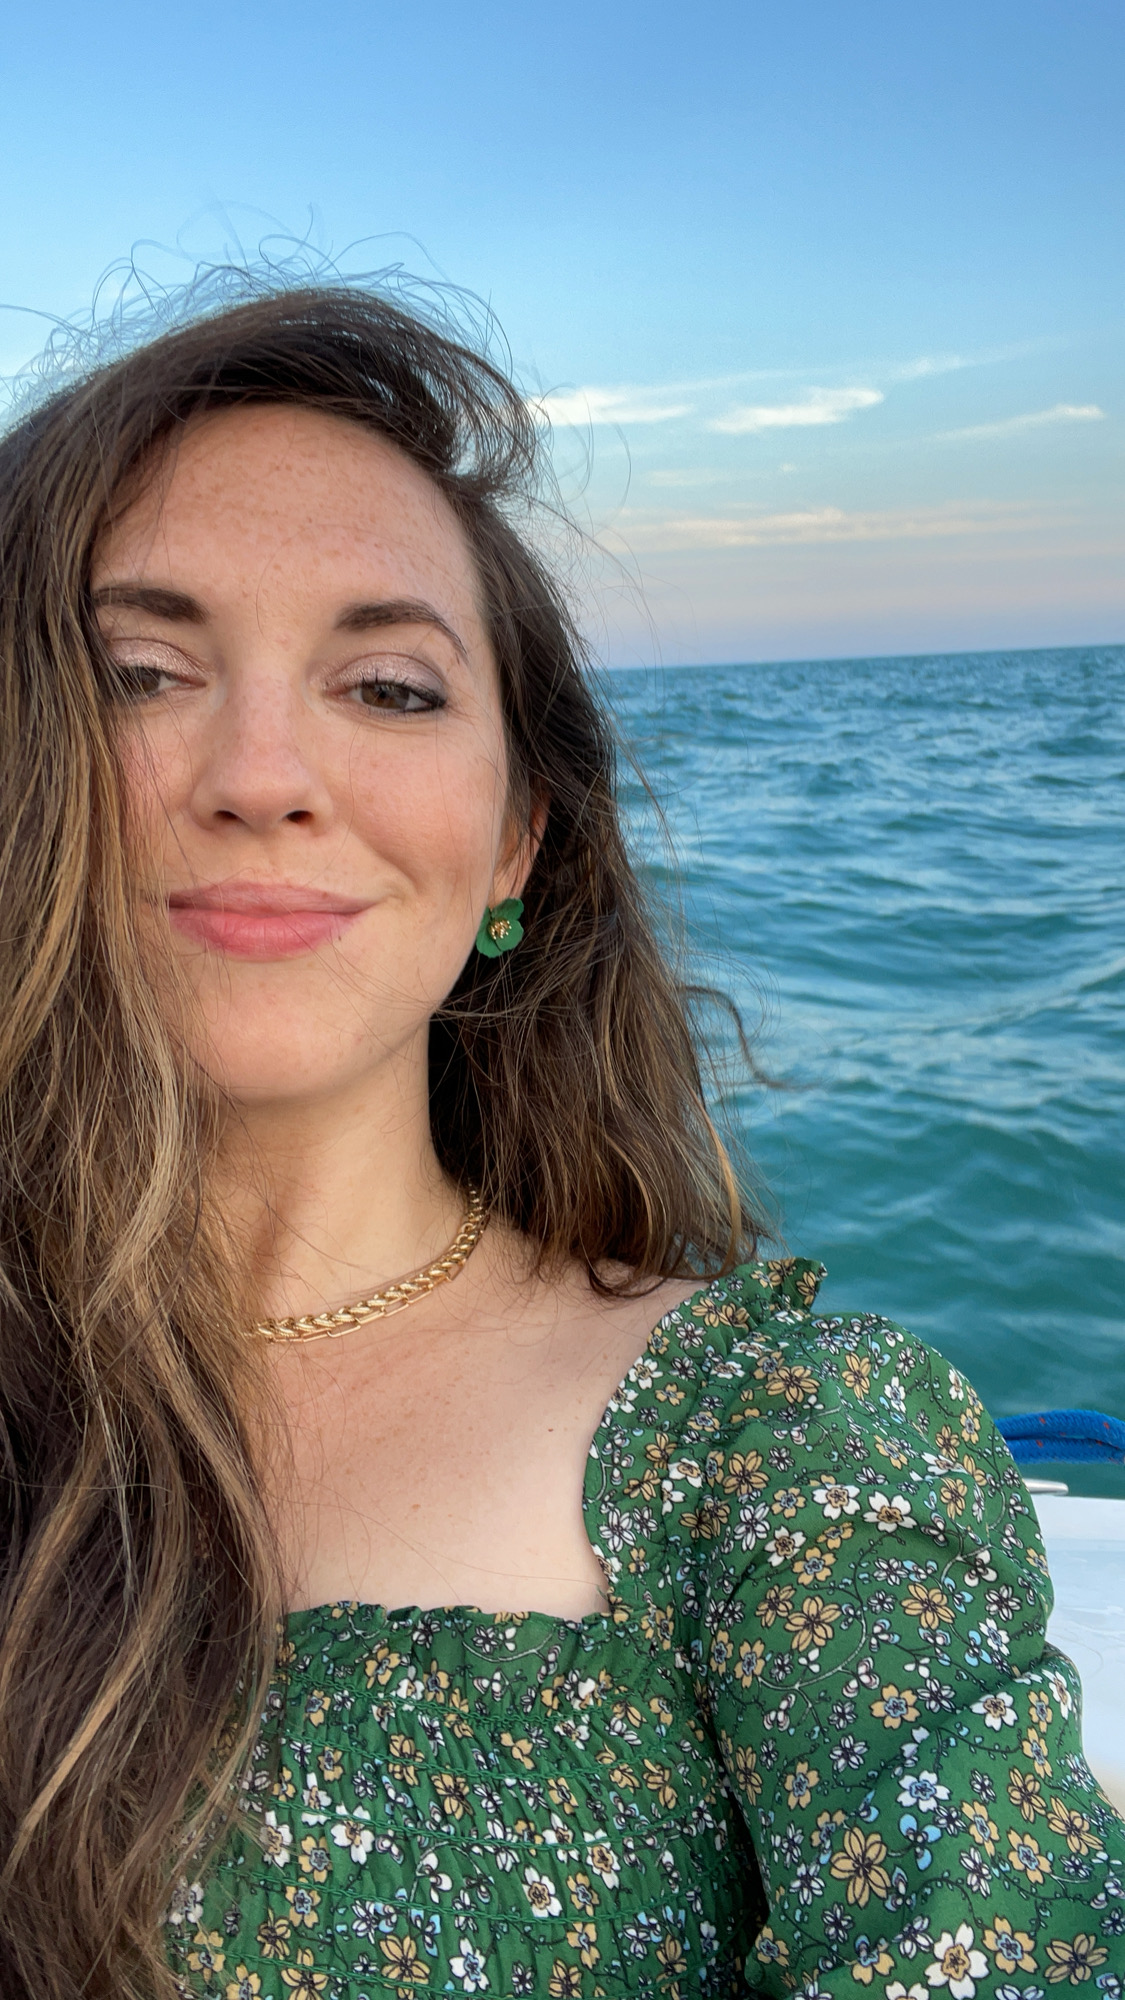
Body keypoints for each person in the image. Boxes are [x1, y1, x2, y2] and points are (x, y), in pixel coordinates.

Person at [0, 283, 1120, 2000]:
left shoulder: (769, 1445)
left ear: (515, 842)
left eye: (386, 686)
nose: (264, 773)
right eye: (142, 672)